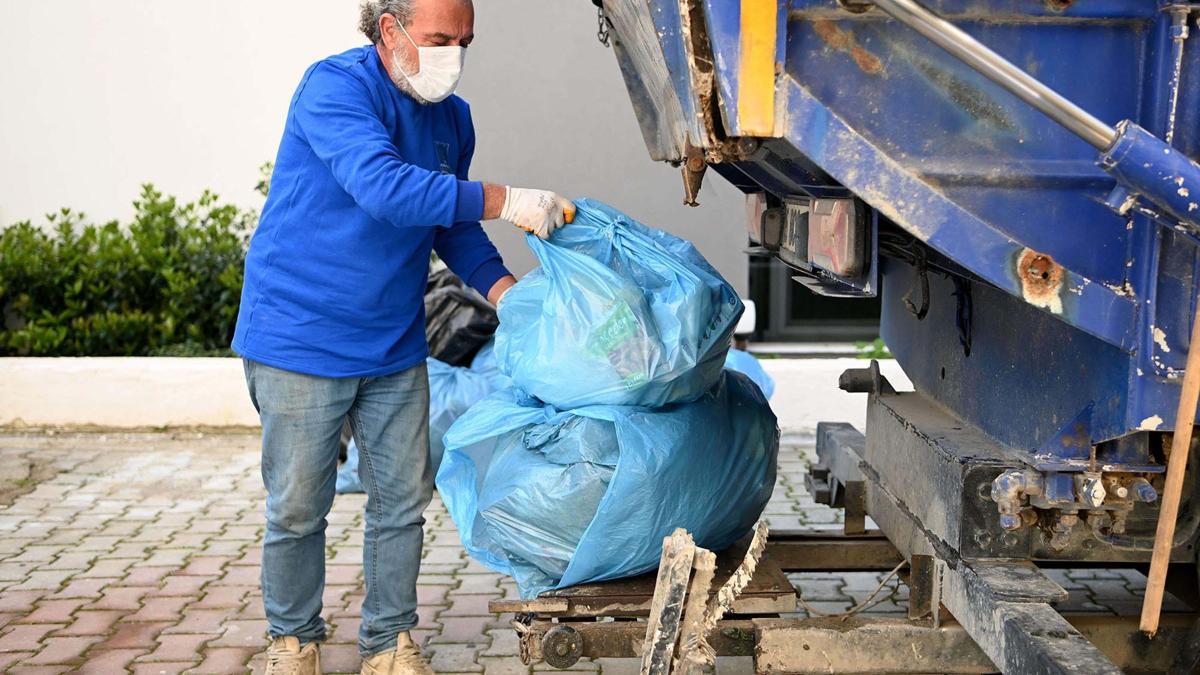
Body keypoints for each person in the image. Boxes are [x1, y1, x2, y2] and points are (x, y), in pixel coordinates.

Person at [231, 1, 574, 673]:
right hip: (301, 335)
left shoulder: (453, 118)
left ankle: (388, 644)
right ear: (390, 29)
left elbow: (450, 225)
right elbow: (386, 189)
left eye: (465, 41)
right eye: (440, 39)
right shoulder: (334, 89)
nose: (455, 56)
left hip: (392, 342)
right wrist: (506, 198)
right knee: (299, 506)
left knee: (401, 503)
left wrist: (510, 297)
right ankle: (293, 640)